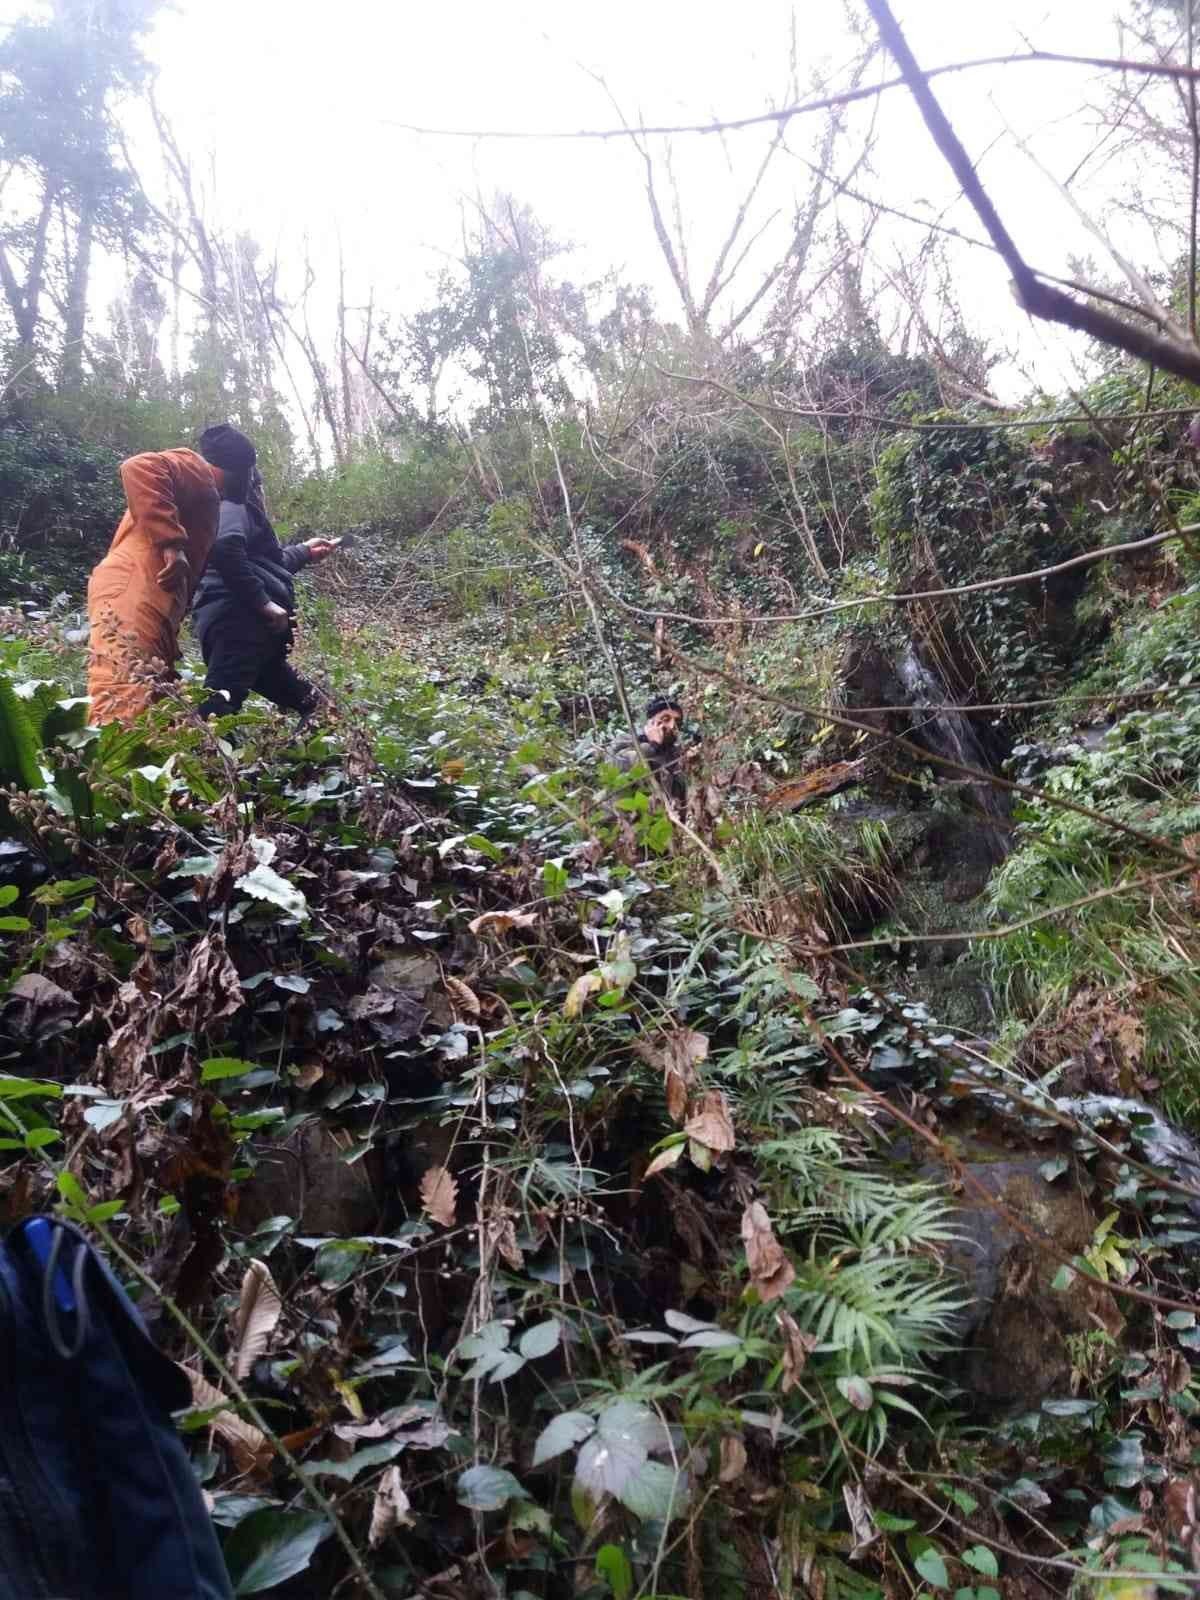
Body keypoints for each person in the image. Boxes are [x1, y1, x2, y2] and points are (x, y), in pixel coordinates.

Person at [193, 424, 337, 720]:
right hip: (240, 626)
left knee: (313, 703)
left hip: (257, 636)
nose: (261, 491)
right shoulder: (233, 505)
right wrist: (264, 602)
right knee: (215, 711)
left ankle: (311, 757)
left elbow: (267, 564)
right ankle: (196, 761)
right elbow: (225, 548)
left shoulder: (241, 513)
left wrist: (306, 551)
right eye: (258, 485)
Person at [86, 447, 226, 725]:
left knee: (154, 697)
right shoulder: (197, 470)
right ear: (239, 470)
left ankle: (146, 764)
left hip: (154, 600)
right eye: (253, 480)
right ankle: (111, 764)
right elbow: (138, 466)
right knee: (123, 693)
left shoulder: (208, 502)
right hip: (132, 592)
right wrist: (171, 543)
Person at [609, 695, 688, 808]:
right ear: (650, 721)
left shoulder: (676, 756)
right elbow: (621, 769)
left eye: (677, 723)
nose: (671, 726)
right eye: (666, 719)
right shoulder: (626, 741)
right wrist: (652, 746)